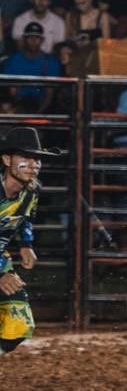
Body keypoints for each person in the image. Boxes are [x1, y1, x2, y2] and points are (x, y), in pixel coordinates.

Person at [0, 127, 58, 356]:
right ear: (6, 159)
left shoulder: (31, 191)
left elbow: (27, 217)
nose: (33, 164)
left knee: (18, 325)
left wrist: (26, 243)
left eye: (37, 159)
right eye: (25, 157)